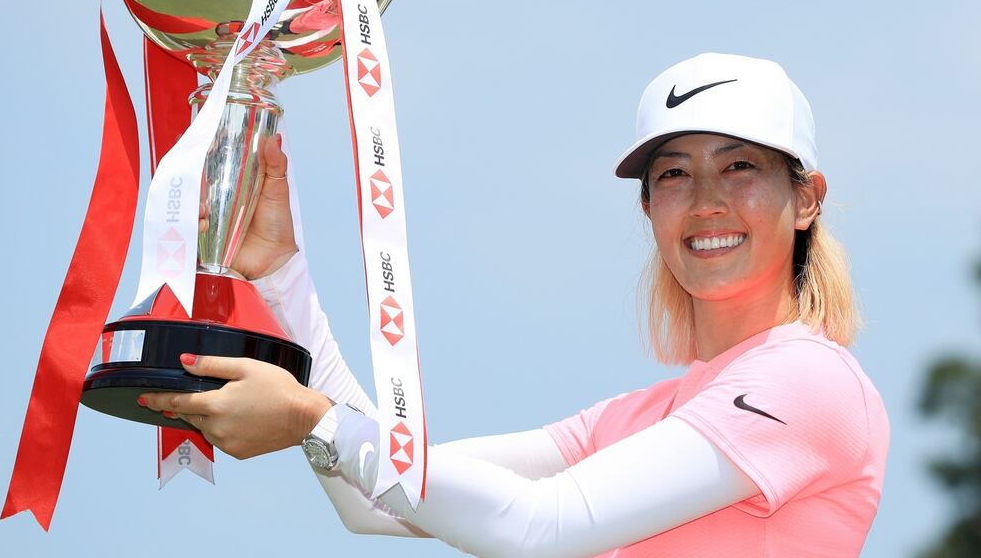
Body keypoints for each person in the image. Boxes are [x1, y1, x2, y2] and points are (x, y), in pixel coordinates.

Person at [140, 53, 890, 557]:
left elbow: (542, 526)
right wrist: (282, 278)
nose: (706, 203)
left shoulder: (808, 382)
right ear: (650, 207)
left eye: (740, 168)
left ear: (805, 198)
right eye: (674, 175)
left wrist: (317, 421)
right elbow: (380, 501)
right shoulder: (639, 417)